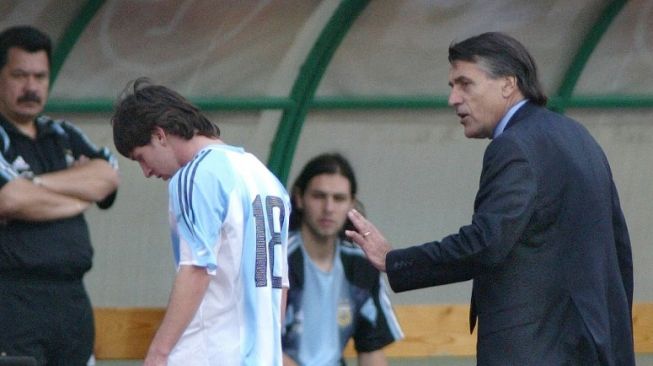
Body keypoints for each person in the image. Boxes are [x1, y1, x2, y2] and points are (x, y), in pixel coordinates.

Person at [345, 32, 635, 365]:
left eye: (465, 83)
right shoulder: (577, 136)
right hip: (594, 349)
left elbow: (486, 243)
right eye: (452, 86)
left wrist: (393, 260)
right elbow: (618, 250)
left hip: (533, 352)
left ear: (508, 84)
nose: (453, 99)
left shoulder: (514, 146)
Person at [111, 77, 291, 366]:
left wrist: (159, 352)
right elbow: (280, 283)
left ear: (159, 135)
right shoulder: (266, 178)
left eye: (141, 158)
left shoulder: (194, 176)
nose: (146, 171)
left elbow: (196, 269)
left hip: (210, 354)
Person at [0, 25, 120, 365]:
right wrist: (77, 195)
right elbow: (8, 199)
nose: (31, 87)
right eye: (19, 75)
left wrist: (34, 184)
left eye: (40, 76)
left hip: (72, 300)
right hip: (14, 299)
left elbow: (108, 176)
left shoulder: (63, 135)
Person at [282, 153, 403, 366]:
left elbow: (371, 348)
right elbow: (261, 347)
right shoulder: (278, 260)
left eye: (338, 199)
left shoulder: (362, 265)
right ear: (300, 198)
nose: (328, 208)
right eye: (319, 196)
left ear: (351, 205)